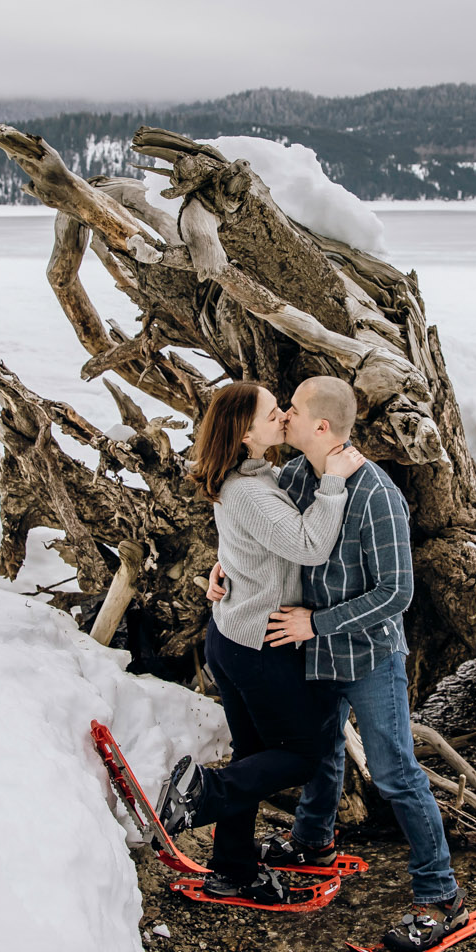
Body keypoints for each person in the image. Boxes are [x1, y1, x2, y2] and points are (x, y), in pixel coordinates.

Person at [211, 375, 466, 952]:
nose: (283, 417)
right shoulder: (297, 475)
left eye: (292, 410)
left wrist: (318, 623)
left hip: (368, 656)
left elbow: (396, 593)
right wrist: (223, 570)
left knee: (395, 769)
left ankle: (440, 894)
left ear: (320, 426)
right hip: (311, 651)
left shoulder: (376, 494)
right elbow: (258, 534)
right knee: (323, 751)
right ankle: (313, 842)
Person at [157, 381, 366, 905]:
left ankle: (232, 867)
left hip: (232, 636)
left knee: (254, 752)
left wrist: (224, 567)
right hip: (259, 645)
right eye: (274, 412)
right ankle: (205, 792)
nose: (283, 416)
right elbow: (310, 545)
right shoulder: (249, 490)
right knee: (306, 751)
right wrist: (334, 483)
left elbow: (248, 539)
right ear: (244, 432)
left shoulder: (249, 476)